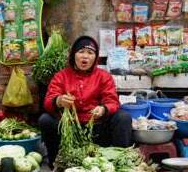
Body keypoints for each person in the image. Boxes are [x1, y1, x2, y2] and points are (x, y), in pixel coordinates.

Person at [39, 35, 132, 165]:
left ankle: (120, 162)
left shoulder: (103, 76)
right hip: (70, 129)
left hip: (97, 127)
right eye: (81, 52)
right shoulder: (61, 76)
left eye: (90, 53)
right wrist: (59, 101)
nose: (85, 56)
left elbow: (112, 101)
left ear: (95, 57)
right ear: (73, 55)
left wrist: (103, 109)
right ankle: (56, 163)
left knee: (123, 117)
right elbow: (48, 102)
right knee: (46, 120)